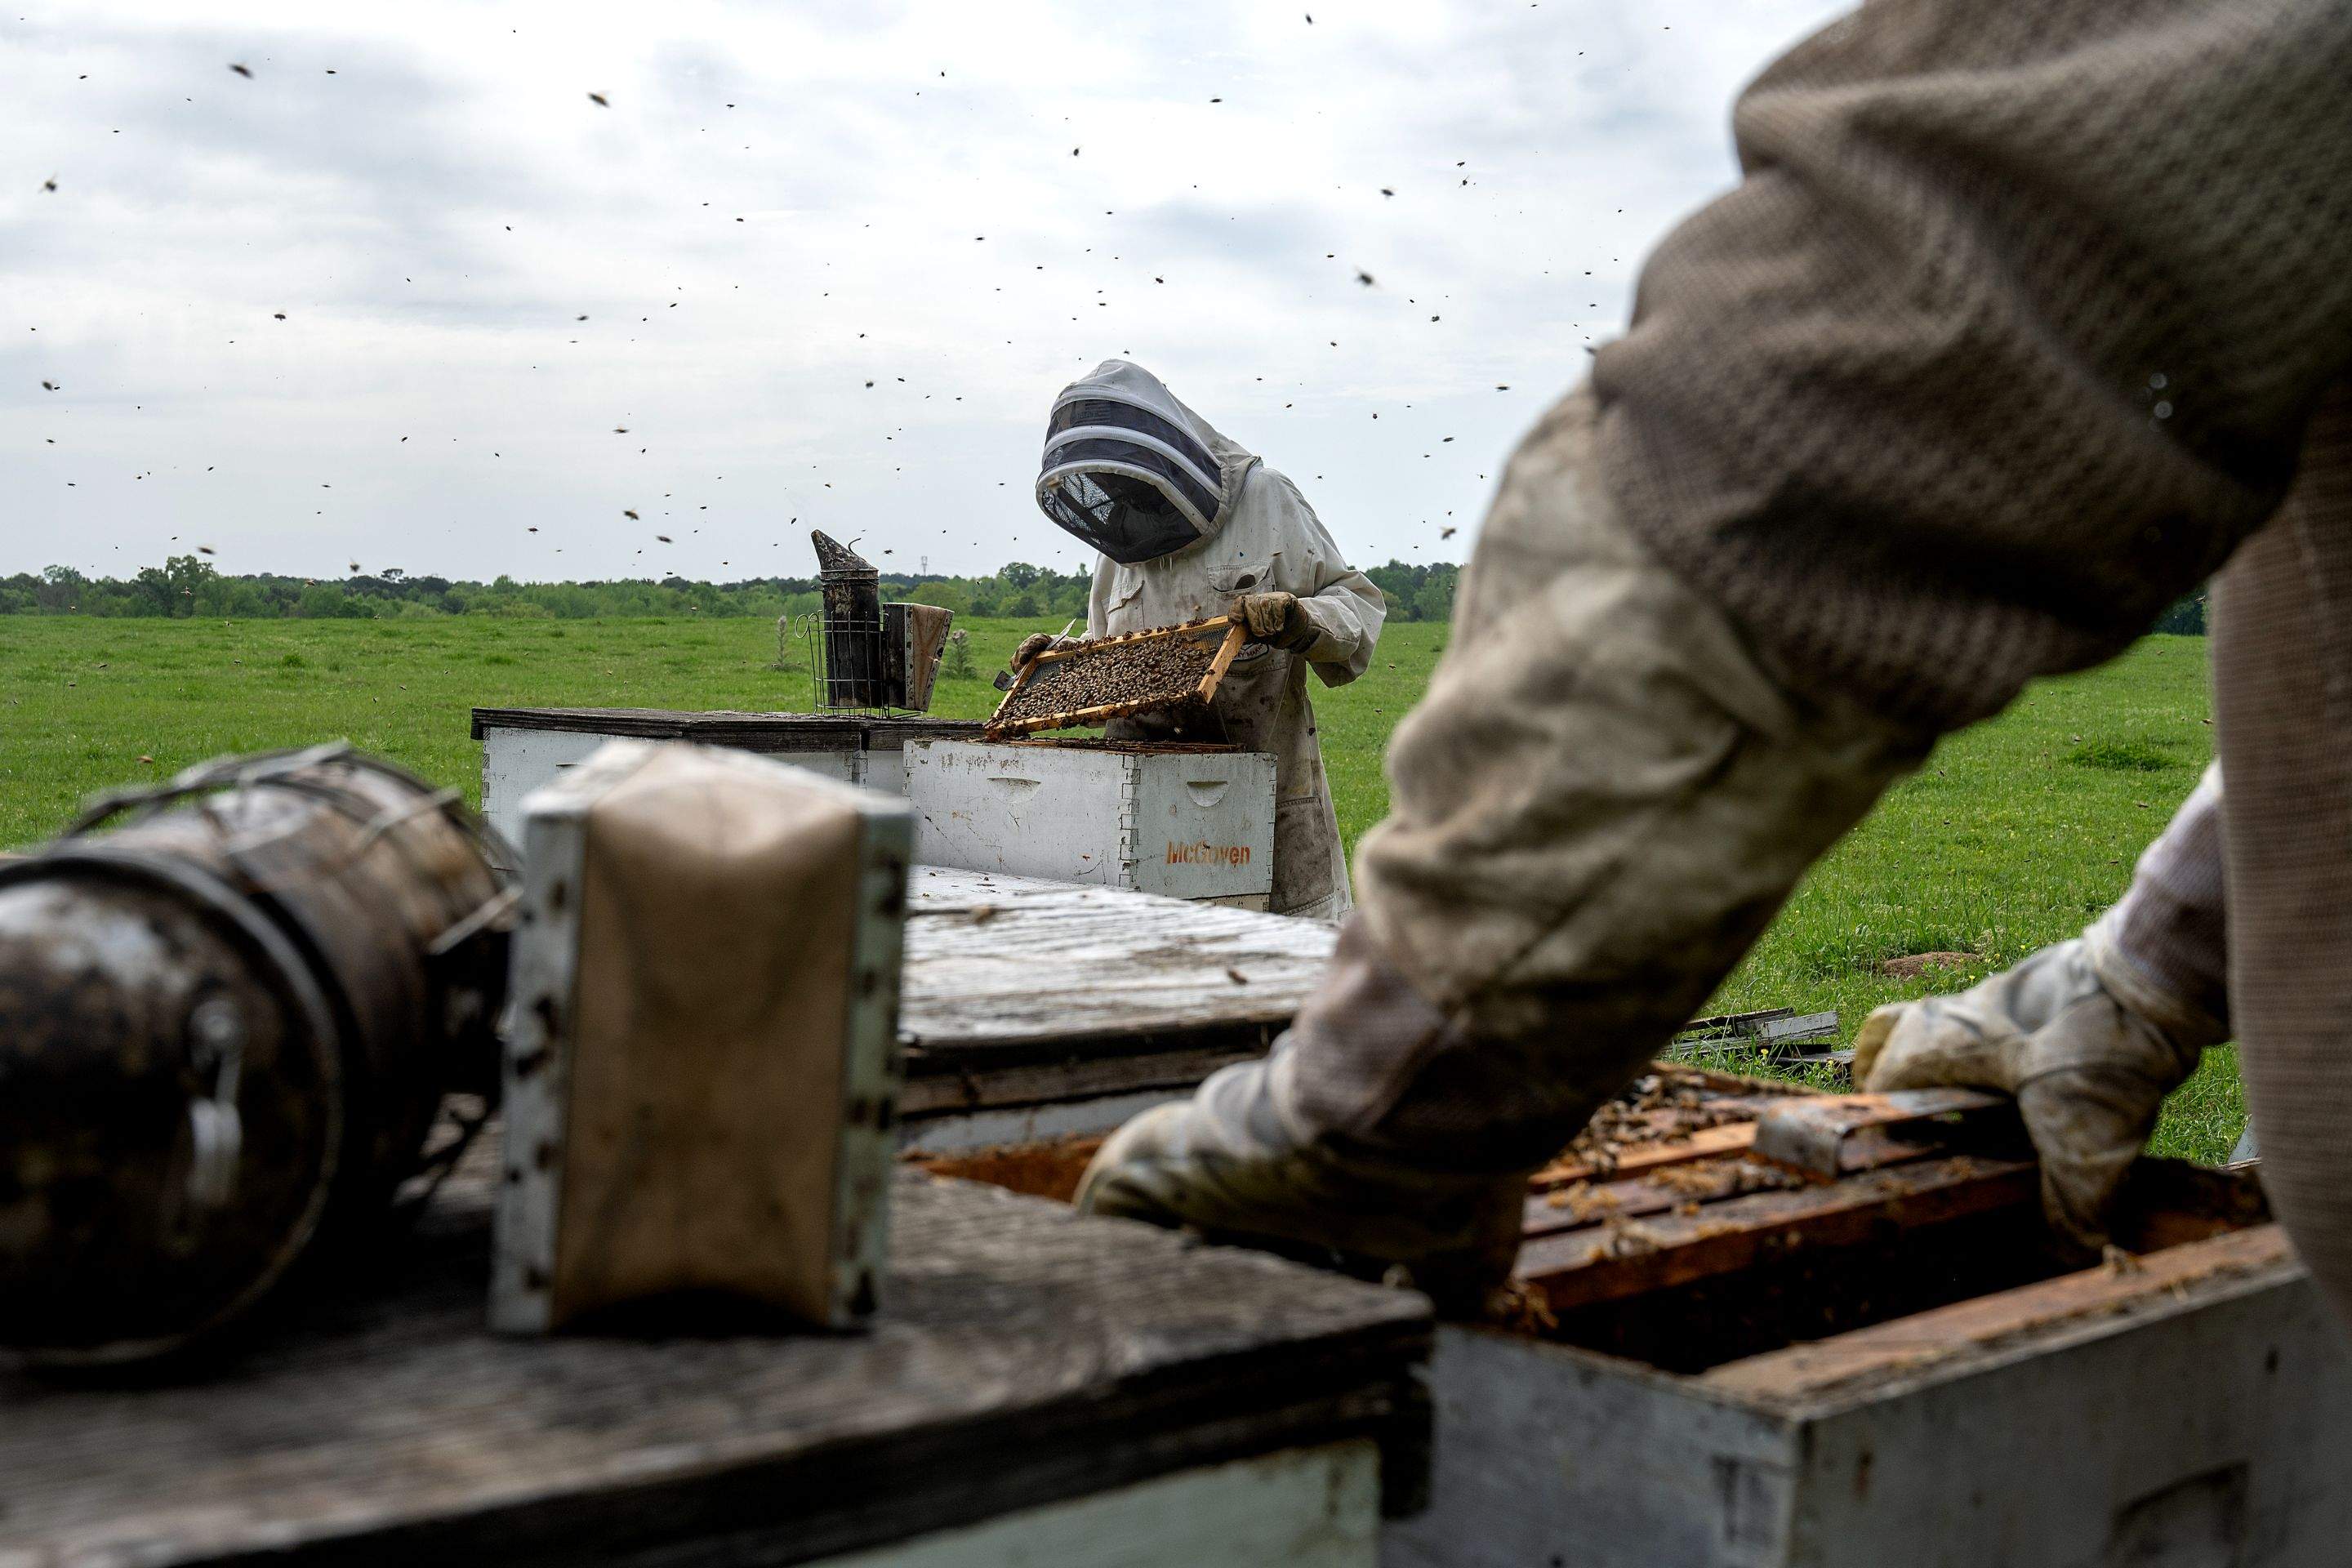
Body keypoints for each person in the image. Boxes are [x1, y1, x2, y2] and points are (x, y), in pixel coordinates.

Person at [1076, 0, 2352, 1321]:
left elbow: (1826, 389)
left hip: (1279, 787)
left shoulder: (1272, 505)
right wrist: (2153, 972)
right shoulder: (1122, 555)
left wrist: (1399, 1079)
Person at [1022, 359, 1386, 920]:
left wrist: (1300, 618)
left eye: (1123, 480)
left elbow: (1358, 605)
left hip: (1269, 807)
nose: (1116, 494)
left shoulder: (1265, 499)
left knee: (1284, 965)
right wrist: (1063, 664)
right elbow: (1109, 656)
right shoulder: (1120, 542)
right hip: (1149, 823)